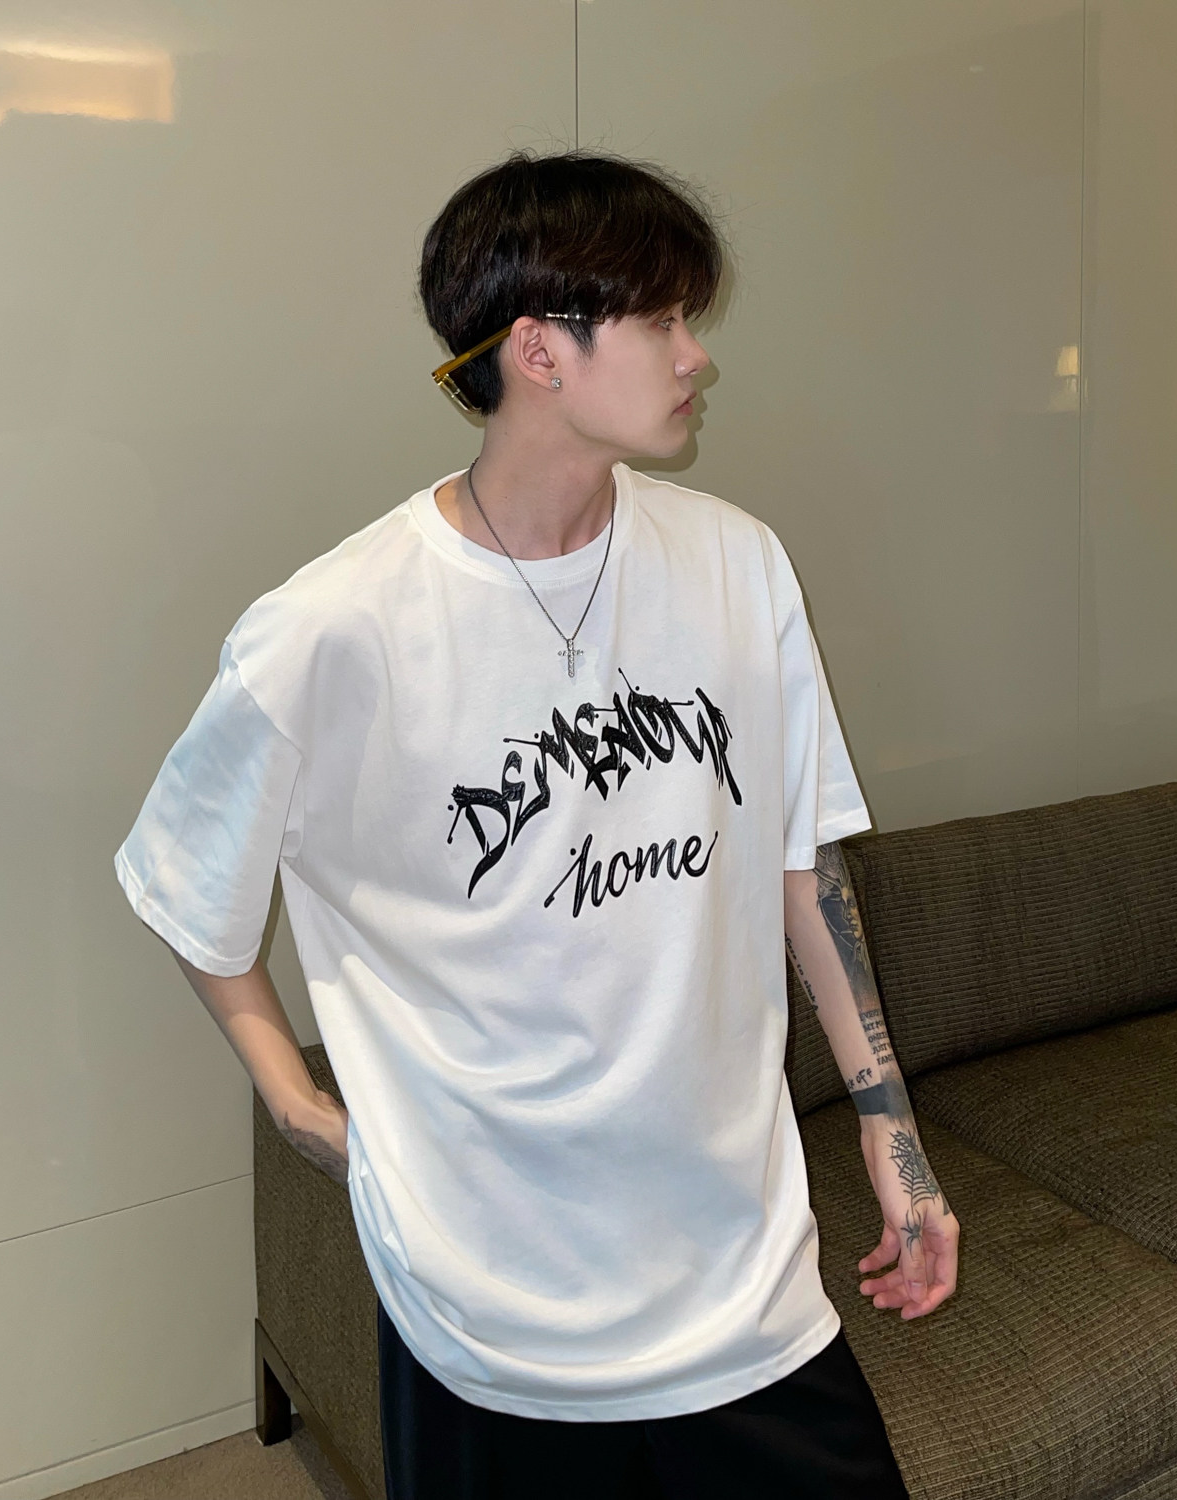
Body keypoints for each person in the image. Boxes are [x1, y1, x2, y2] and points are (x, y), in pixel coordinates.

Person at [115, 148, 958, 1500]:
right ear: (539, 351)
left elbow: (800, 863)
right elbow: (186, 885)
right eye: (663, 318)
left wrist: (888, 1131)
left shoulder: (738, 564)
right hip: (485, 1313)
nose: (696, 355)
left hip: (739, 1279)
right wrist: (297, 1103)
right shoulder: (335, 626)